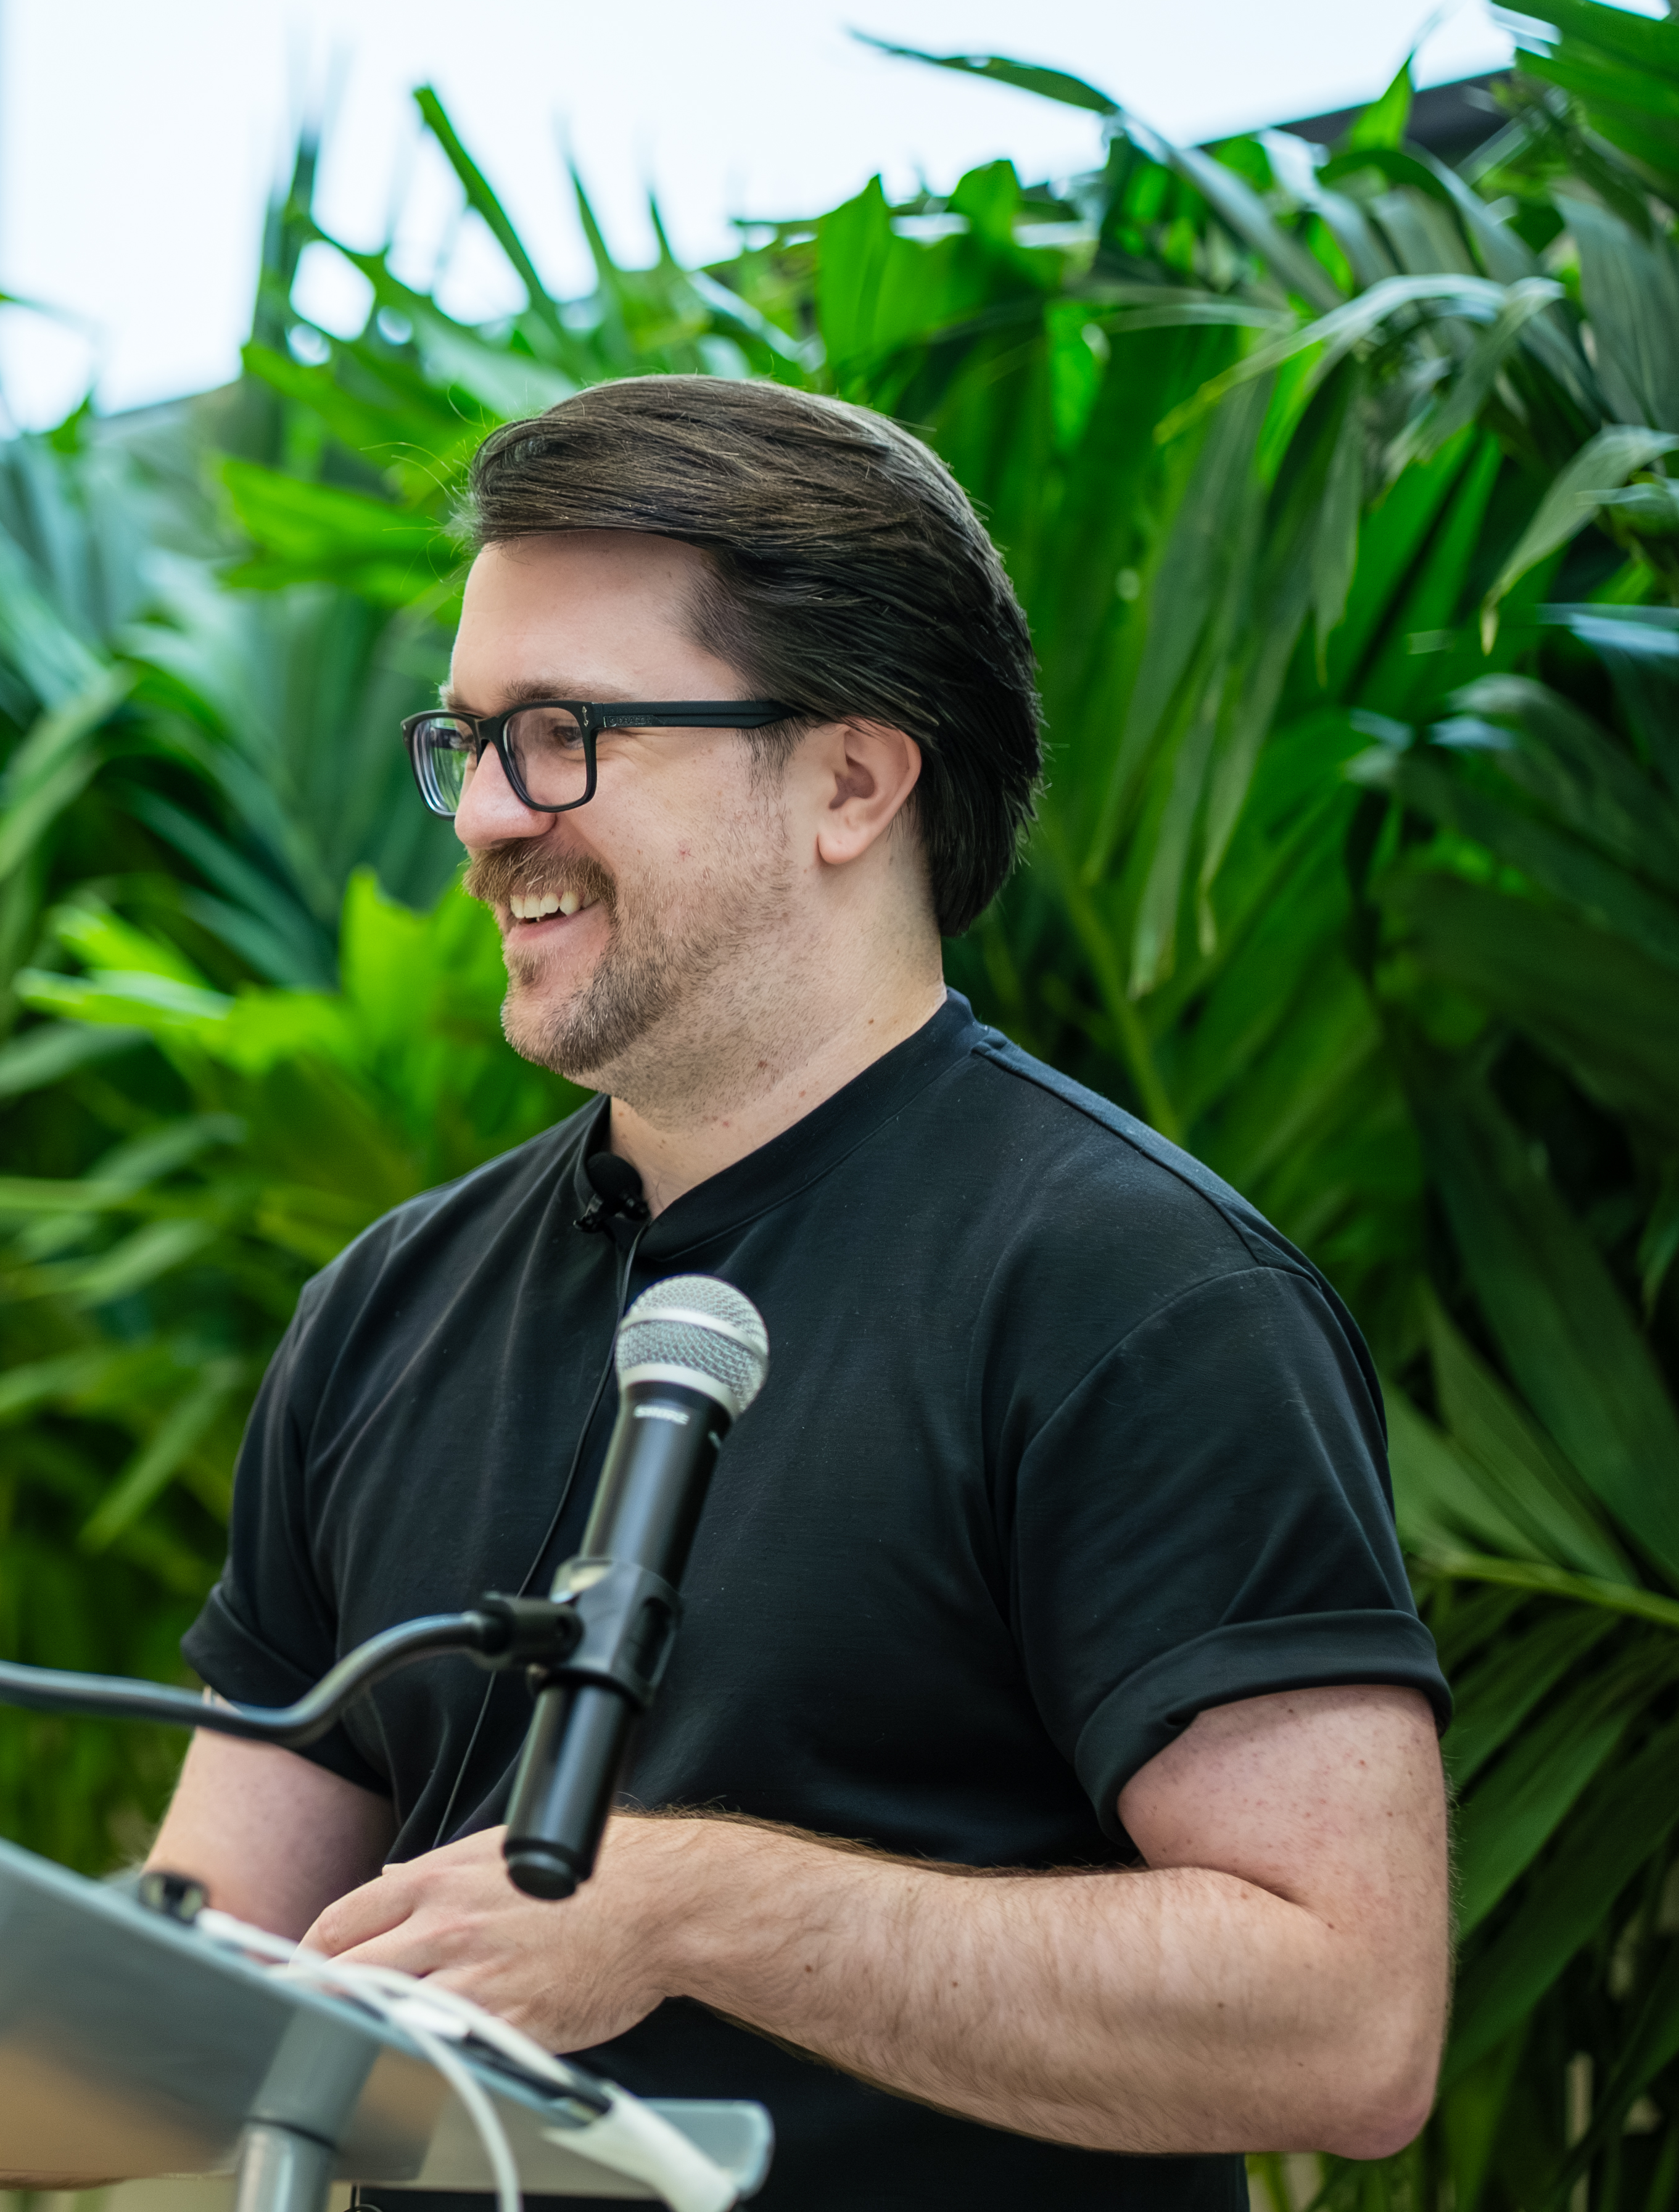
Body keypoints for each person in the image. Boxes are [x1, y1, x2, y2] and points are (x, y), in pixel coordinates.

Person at [146, 377, 1451, 2209]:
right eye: (469, 742)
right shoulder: (383, 1305)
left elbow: (1346, 2020)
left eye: (567, 735)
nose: (488, 820)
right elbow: (205, 1956)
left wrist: (695, 1910)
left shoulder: (1138, 1293)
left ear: (852, 779)